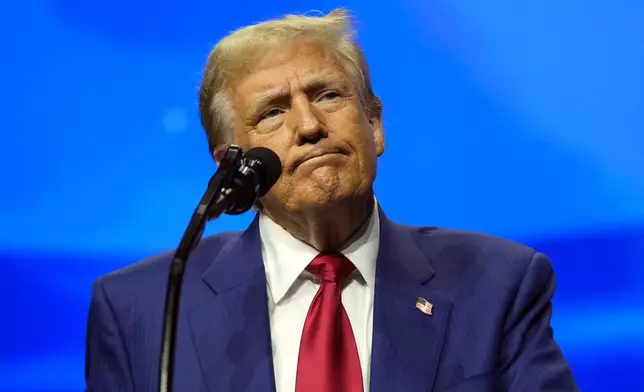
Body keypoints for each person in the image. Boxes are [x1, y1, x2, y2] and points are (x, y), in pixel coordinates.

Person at [85, 8, 579, 392]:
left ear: (375, 125)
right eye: (273, 112)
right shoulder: (143, 307)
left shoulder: (497, 284)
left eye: (328, 96)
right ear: (231, 165)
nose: (308, 126)